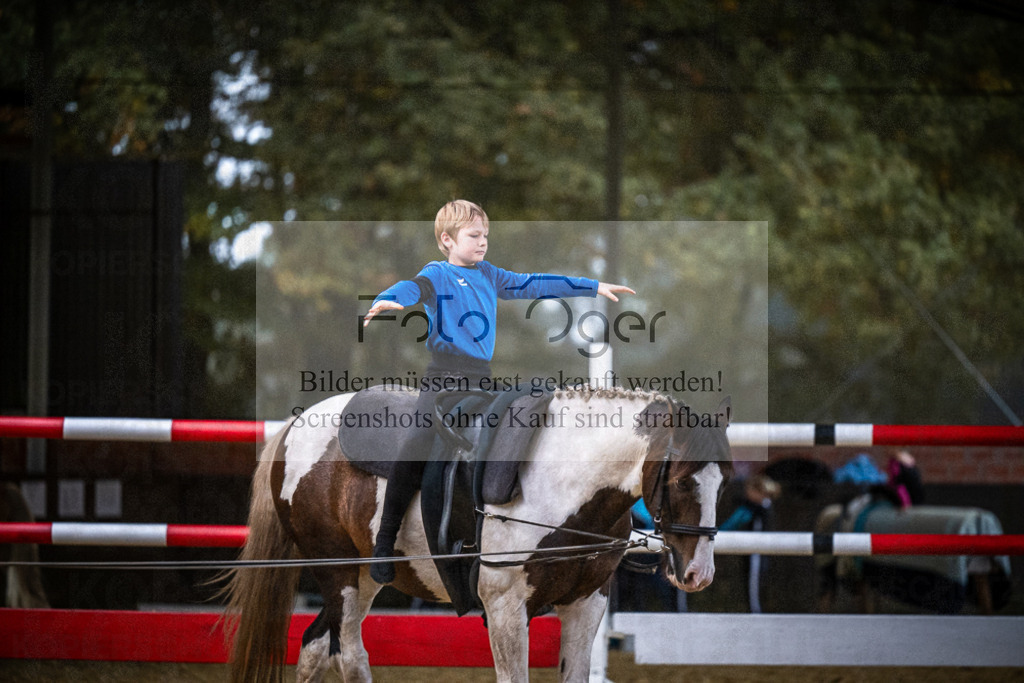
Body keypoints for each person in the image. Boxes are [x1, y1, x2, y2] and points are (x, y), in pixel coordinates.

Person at [362, 199, 635, 584]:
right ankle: (385, 539)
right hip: (442, 380)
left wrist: (591, 286)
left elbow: (535, 282)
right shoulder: (438, 273)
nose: (483, 242)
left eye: (486, 235)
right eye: (474, 235)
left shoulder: (489, 275)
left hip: (480, 380)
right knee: (419, 440)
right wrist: (387, 299)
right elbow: (412, 288)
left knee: (504, 438)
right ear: (447, 239)